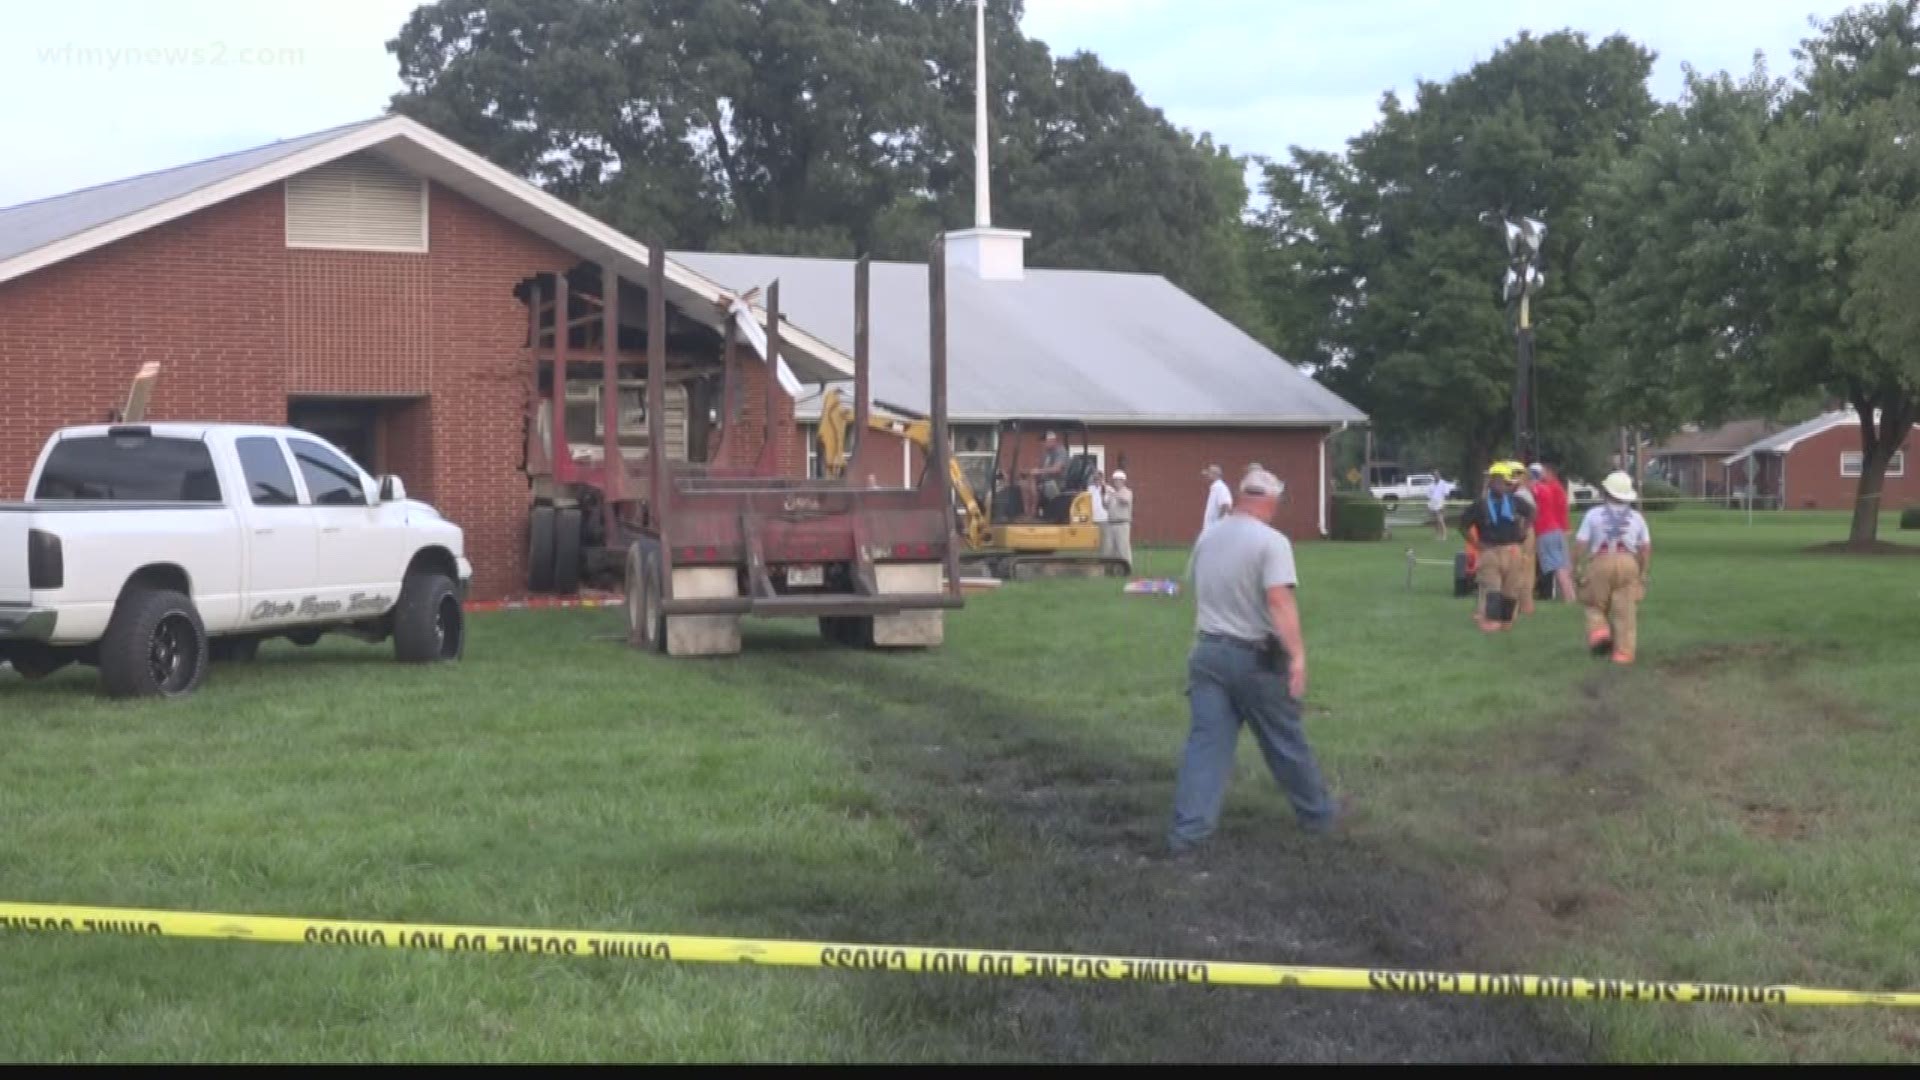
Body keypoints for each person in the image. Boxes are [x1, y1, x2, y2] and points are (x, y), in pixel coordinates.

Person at [1167, 468, 1337, 853]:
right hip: (1255, 658)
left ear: (1242, 495)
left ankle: (1187, 836)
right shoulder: (1271, 542)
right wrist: (1297, 657)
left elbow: (1197, 589)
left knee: (1206, 747)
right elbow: (1279, 601)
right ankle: (1319, 817)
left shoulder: (1208, 536)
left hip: (1207, 653)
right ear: (1271, 502)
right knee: (1285, 742)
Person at [1574, 472, 1652, 665]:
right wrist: (1642, 572)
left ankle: (1600, 632)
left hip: (1600, 562)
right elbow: (1645, 548)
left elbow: (1581, 543)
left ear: (1606, 492)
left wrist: (1575, 565)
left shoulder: (1593, 515)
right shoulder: (1637, 517)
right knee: (1625, 611)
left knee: (1594, 603)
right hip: (1628, 563)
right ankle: (1623, 654)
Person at [1458, 461, 1534, 632]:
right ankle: (1491, 622)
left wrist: (1524, 529)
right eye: (1499, 481)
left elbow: (1531, 513)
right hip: (1490, 551)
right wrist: (1476, 544)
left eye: (1506, 483)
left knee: (1511, 590)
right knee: (1492, 587)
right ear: (1491, 482)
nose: (1503, 486)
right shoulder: (1480, 505)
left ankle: (1506, 622)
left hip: (1513, 550)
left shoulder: (1515, 502)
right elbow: (1462, 525)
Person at [1529, 462, 1576, 603]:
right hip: (1556, 530)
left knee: (1558, 566)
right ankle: (1570, 595)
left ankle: (1568, 597)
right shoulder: (1553, 488)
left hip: (1546, 531)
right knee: (1563, 565)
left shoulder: (1541, 488)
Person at [1021, 431, 1070, 520]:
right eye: (1042, 443)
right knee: (1024, 483)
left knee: (1033, 483)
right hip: (1046, 482)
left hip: (1057, 483)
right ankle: (1027, 512)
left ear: (1052, 440)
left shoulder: (1061, 452)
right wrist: (1029, 471)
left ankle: (1033, 512)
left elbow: (1056, 469)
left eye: (1045, 442)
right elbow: (1040, 469)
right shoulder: (1047, 453)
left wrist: (1038, 471)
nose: (1043, 445)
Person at [1103, 470, 1134, 571]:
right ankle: (1109, 569)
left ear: (1123, 481)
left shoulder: (1127, 492)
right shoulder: (1112, 493)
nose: (1115, 482)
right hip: (1111, 523)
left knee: (1123, 548)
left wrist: (1114, 494)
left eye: (1118, 480)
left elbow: (1125, 501)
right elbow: (1106, 506)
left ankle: (1126, 568)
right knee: (1109, 548)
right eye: (1114, 480)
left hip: (1122, 523)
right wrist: (1104, 495)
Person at [1426, 473, 1456, 540]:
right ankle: (1437, 535)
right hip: (1432, 504)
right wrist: (1428, 506)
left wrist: (1445, 505)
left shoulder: (1443, 484)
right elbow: (1429, 496)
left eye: (1437, 475)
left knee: (1440, 520)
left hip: (1440, 503)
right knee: (1435, 521)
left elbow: (1446, 495)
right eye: (1435, 475)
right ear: (1433, 477)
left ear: (1439, 476)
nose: (1436, 476)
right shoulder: (1431, 485)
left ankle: (1444, 535)